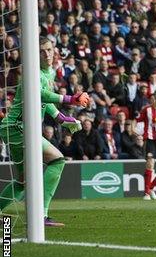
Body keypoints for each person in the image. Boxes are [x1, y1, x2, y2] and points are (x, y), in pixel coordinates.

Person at [0, 38, 89, 226]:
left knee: (24, 181)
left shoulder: (47, 72)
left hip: (22, 128)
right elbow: (41, 94)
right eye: (42, 51)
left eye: (49, 50)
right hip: (17, 127)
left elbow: (44, 101)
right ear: (35, 53)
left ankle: (40, 215)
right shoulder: (33, 73)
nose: (47, 54)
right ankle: (41, 215)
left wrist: (62, 118)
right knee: (57, 160)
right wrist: (71, 99)